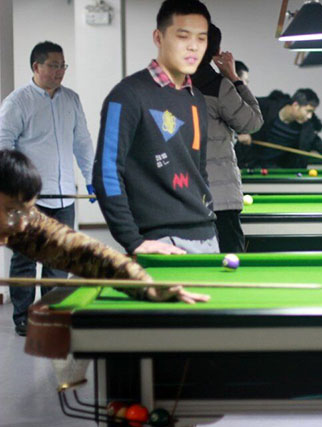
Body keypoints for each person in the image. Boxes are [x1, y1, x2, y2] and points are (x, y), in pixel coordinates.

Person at [0, 150, 210, 335]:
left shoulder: (23, 223)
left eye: (26, 211)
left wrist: (146, 287)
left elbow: (84, 253)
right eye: (11, 211)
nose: (21, 224)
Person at [93, 0, 219, 256]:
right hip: (162, 241)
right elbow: (106, 171)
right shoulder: (126, 95)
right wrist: (132, 240)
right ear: (158, 38)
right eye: (183, 36)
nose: (194, 46)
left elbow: (198, 169)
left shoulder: (196, 98)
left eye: (201, 38)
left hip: (207, 235)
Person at [0, 41, 95, 334]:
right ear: (36, 66)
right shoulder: (18, 102)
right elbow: (4, 144)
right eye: (54, 65)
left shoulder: (71, 100)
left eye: (63, 66)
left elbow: (82, 142)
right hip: (29, 197)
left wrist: (92, 178)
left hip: (64, 194)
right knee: (26, 259)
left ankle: (51, 312)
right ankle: (23, 317)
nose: (60, 71)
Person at [191, 24, 263, 253]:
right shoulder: (218, 86)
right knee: (231, 260)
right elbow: (253, 122)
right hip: (219, 197)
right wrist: (233, 77)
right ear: (215, 51)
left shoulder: (165, 84)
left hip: (180, 196)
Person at [235, 88, 322, 169]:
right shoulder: (265, 107)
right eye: (308, 111)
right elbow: (234, 113)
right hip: (249, 164)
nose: (310, 116)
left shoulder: (305, 129)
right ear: (295, 105)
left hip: (277, 169)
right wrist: (239, 134)